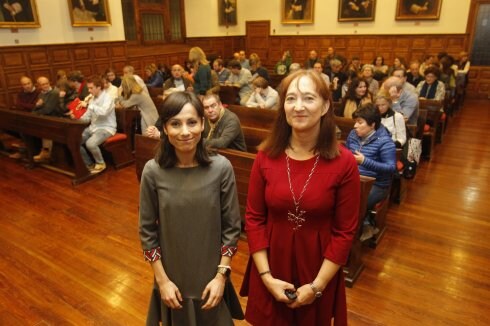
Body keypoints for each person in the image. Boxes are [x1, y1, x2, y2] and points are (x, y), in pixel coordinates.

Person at [240, 69, 360, 325]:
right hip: (271, 264)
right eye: (291, 98)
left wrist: (317, 286)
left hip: (317, 269)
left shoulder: (344, 162)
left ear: (326, 105)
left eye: (308, 98)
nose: (298, 106)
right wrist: (266, 277)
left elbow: (344, 232)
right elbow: (254, 218)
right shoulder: (266, 156)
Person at [139, 91, 243, 325]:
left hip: (211, 276)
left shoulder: (221, 168)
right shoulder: (152, 172)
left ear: (203, 124)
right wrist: (162, 281)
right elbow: (147, 232)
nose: (185, 132)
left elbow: (231, 228)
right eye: (175, 124)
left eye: (192, 122)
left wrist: (221, 276)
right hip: (172, 278)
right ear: (165, 128)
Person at [345, 103, 396, 241]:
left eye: (360, 122)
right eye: (355, 122)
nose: (355, 126)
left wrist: (364, 161)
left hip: (377, 185)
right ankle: (363, 225)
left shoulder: (385, 142)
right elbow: (346, 154)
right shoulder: (353, 135)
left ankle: (355, 233)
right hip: (353, 179)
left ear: (372, 125)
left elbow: (391, 168)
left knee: (352, 203)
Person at [32, 77, 61, 162]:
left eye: (46, 83)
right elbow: (34, 109)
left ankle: (46, 152)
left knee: (46, 129)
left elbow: (48, 109)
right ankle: (35, 150)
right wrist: (37, 106)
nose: (45, 86)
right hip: (45, 118)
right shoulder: (41, 94)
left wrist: (37, 108)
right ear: (39, 86)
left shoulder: (54, 93)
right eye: (43, 84)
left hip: (55, 118)